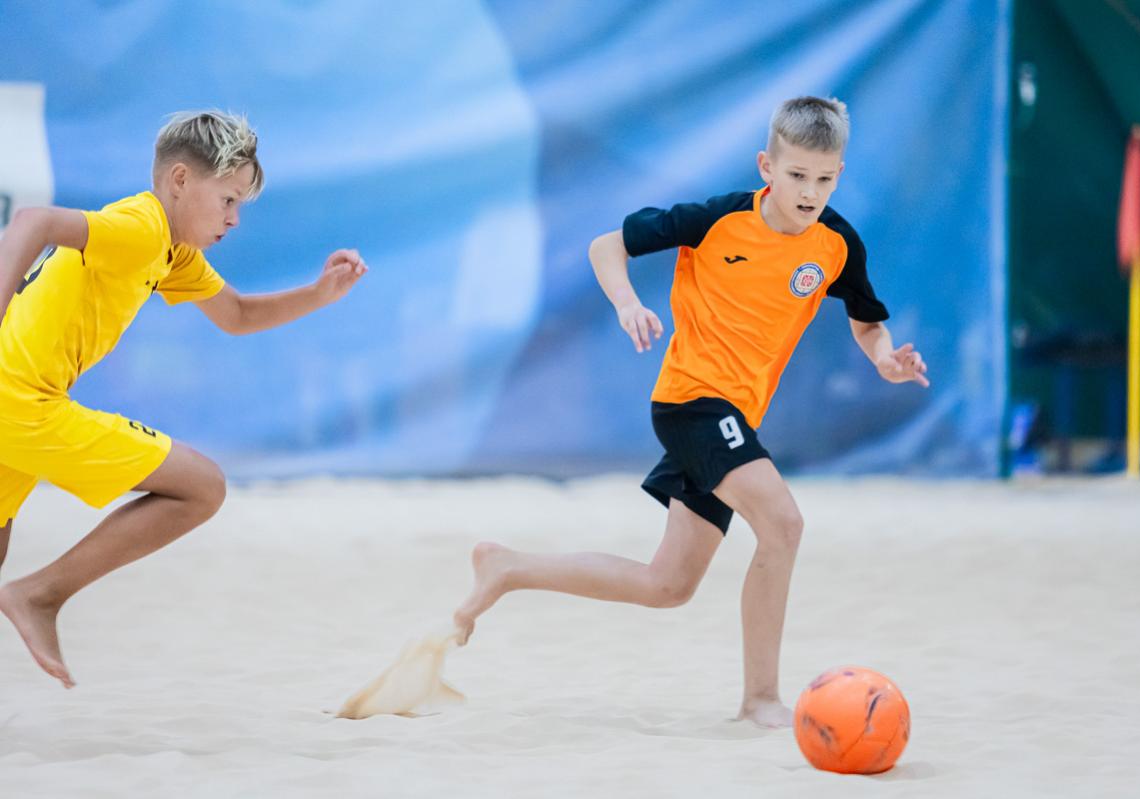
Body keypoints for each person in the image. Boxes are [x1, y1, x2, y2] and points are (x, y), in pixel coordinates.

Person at [453, 96, 928, 728]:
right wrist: (627, 304)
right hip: (692, 401)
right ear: (767, 167)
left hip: (736, 416)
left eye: (823, 178)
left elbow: (867, 322)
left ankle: (508, 567)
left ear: (839, 173)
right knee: (783, 525)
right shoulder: (716, 219)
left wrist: (885, 358)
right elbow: (605, 247)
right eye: (796, 175)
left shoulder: (837, 243)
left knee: (668, 584)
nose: (809, 192)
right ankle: (761, 700)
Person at [0, 110, 367, 688]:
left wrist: (320, 295)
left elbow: (236, 315)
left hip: (17, 406)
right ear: (179, 180)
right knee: (202, 486)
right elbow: (32, 220)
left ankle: (36, 595)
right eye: (228, 200)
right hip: (21, 401)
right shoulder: (143, 228)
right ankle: (40, 595)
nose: (234, 218)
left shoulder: (171, 252)